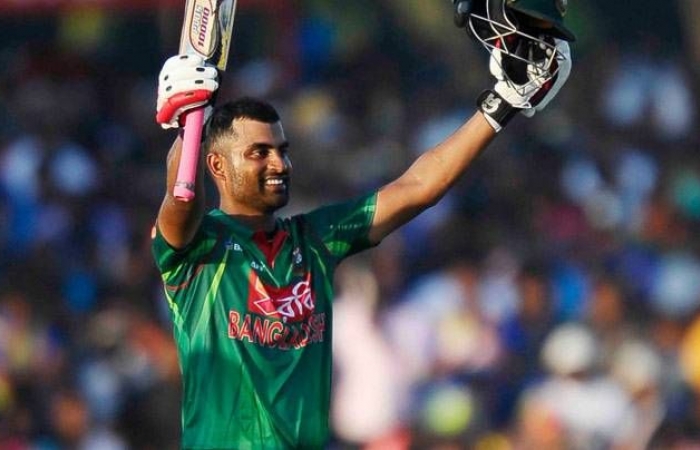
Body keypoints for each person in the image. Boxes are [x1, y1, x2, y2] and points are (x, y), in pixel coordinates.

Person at [151, 1, 574, 448]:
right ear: (217, 165)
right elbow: (181, 198)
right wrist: (186, 128)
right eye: (260, 153)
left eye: (282, 150)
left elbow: (418, 187)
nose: (279, 163)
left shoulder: (312, 240)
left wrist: (501, 104)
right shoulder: (200, 248)